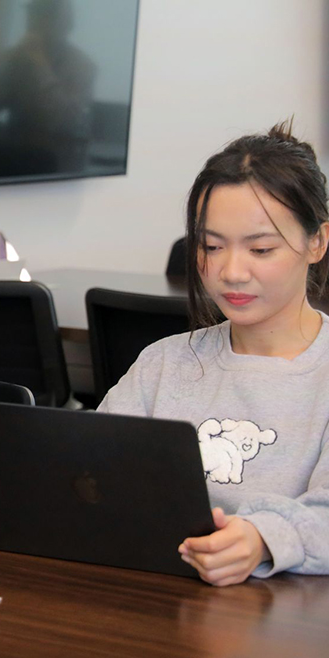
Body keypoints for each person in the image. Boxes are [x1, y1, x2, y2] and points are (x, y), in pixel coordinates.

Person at [100, 121, 329, 585]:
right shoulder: (164, 362)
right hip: (162, 599)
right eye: (211, 246)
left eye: (261, 249)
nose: (231, 272)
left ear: (317, 242)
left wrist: (261, 538)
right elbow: (87, 465)